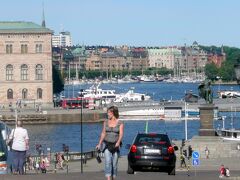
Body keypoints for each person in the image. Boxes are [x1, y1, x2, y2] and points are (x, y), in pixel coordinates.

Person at [96, 106, 124, 180]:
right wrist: (99, 144)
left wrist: (118, 142)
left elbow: (121, 134)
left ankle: (113, 177)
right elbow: (103, 133)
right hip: (107, 144)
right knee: (108, 162)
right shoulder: (105, 122)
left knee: (114, 164)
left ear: (113, 113)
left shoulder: (120, 123)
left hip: (115, 145)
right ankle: (108, 178)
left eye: (108, 112)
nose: (107, 114)